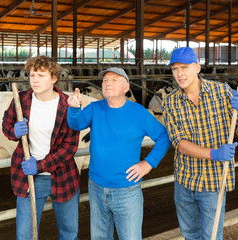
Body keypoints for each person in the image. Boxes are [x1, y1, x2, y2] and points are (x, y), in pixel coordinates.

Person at [67, 67, 171, 240]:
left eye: (114, 80)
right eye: (105, 80)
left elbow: (163, 136)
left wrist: (148, 163)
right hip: (96, 188)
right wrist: (74, 108)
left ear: (126, 87)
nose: (108, 83)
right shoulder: (94, 108)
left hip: (127, 190)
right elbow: (76, 124)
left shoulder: (139, 113)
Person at [162, 47, 238, 240]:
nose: (179, 74)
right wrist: (214, 154)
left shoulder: (222, 93)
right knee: (190, 235)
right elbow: (179, 144)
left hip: (213, 182)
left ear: (197, 67)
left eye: (184, 67)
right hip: (184, 181)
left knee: (211, 236)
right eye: (175, 69)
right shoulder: (170, 102)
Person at [2, 55, 80, 240]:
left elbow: (69, 147)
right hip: (28, 178)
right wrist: (14, 130)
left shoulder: (67, 105)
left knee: (69, 233)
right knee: (25, 234)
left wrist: (40, 165)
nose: (35, 80)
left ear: (54, 78)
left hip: (62, 176)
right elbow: (6, 125)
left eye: (41, 75)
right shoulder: (21, 101)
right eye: (32, 75)